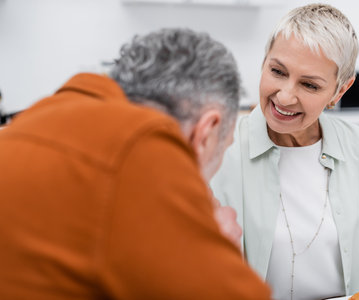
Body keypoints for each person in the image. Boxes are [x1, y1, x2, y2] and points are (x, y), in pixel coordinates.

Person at [0, 28, 271, 299]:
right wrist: (216, 247)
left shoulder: (41, 117)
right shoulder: (140, 150)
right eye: (223, 148)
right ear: (206, 133)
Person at [210, 4, 359, 300]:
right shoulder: (219, 147)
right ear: (263, 63)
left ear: (339, 91)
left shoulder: (357, 145)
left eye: (309, 84)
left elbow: (357, 243)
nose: (284, 96)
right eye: (277, 71)